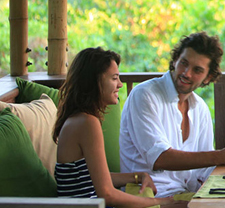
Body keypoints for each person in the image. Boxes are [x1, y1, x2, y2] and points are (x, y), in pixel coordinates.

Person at [119, 32, 225, 198]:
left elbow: (204, 169)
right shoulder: (145, 95)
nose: (187, 73)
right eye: (184, 63)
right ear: (175, 60)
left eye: (197, 70)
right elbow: (159, 158)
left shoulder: (200, 108)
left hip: (185, 194)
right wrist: (221, 156)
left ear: (207, 78)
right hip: (149, 196)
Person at [52, 47, 174, 207]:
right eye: (114, 78)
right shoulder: (86, 123)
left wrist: (136, 176)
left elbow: (92, 177)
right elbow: (107, 194)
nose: (120, 85)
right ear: (94, 81)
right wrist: (159, 202)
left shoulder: (79, 119)